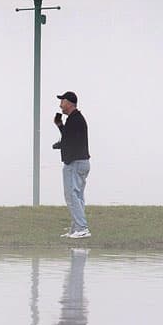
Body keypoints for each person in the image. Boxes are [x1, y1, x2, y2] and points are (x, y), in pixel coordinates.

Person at [52, 90, 91, 238]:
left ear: (69, 103)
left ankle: (82, 228)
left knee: (71, 196)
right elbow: (68, 138)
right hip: (83, 162)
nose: (60, 105)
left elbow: (68, 141)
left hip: (75, 163)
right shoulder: (76, 119)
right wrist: (60, 125)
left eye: (62, 101)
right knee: (78, 196)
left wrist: (60, 142)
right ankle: (76, 229)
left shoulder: (75, 119)